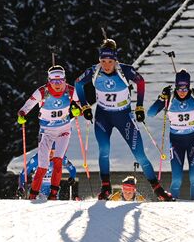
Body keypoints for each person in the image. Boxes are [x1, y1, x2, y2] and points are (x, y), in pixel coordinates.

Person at [74, 38, 173, 201]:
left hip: (123, 116)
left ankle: (158, 190)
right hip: (103, 116)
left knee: (139, 154)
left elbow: (140, 82)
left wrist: (139, 106)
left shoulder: (125, 71)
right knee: (104, 150)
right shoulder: (94, 71)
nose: (106, 65)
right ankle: (106, 187)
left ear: (115, 60)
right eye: (103, 61)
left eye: (110, 61)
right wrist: (84, 106)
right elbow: (78, 84)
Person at [147, 69, 194, 200]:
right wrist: (161, 98)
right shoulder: (169, 99)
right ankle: (172, 204)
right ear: (176, 87)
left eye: (185, 89)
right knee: (177, 179)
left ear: (189, 87)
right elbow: (150, 114)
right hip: (176, 142)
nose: (182, 92)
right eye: (179, 89)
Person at [17, 65, 82, 200]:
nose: (57, 85)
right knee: (43, 166)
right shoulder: (42, 91)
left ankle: (53, 195)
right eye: (54, 81)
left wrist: (78, 110)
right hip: (46, 131)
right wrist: (22, 114)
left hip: (64, 129)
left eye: (60, 81)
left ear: (64, 80)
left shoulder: (70, 90)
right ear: (49, 81)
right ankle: (33, 195)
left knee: (58, 161)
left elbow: (82, 104)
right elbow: (27, 105)